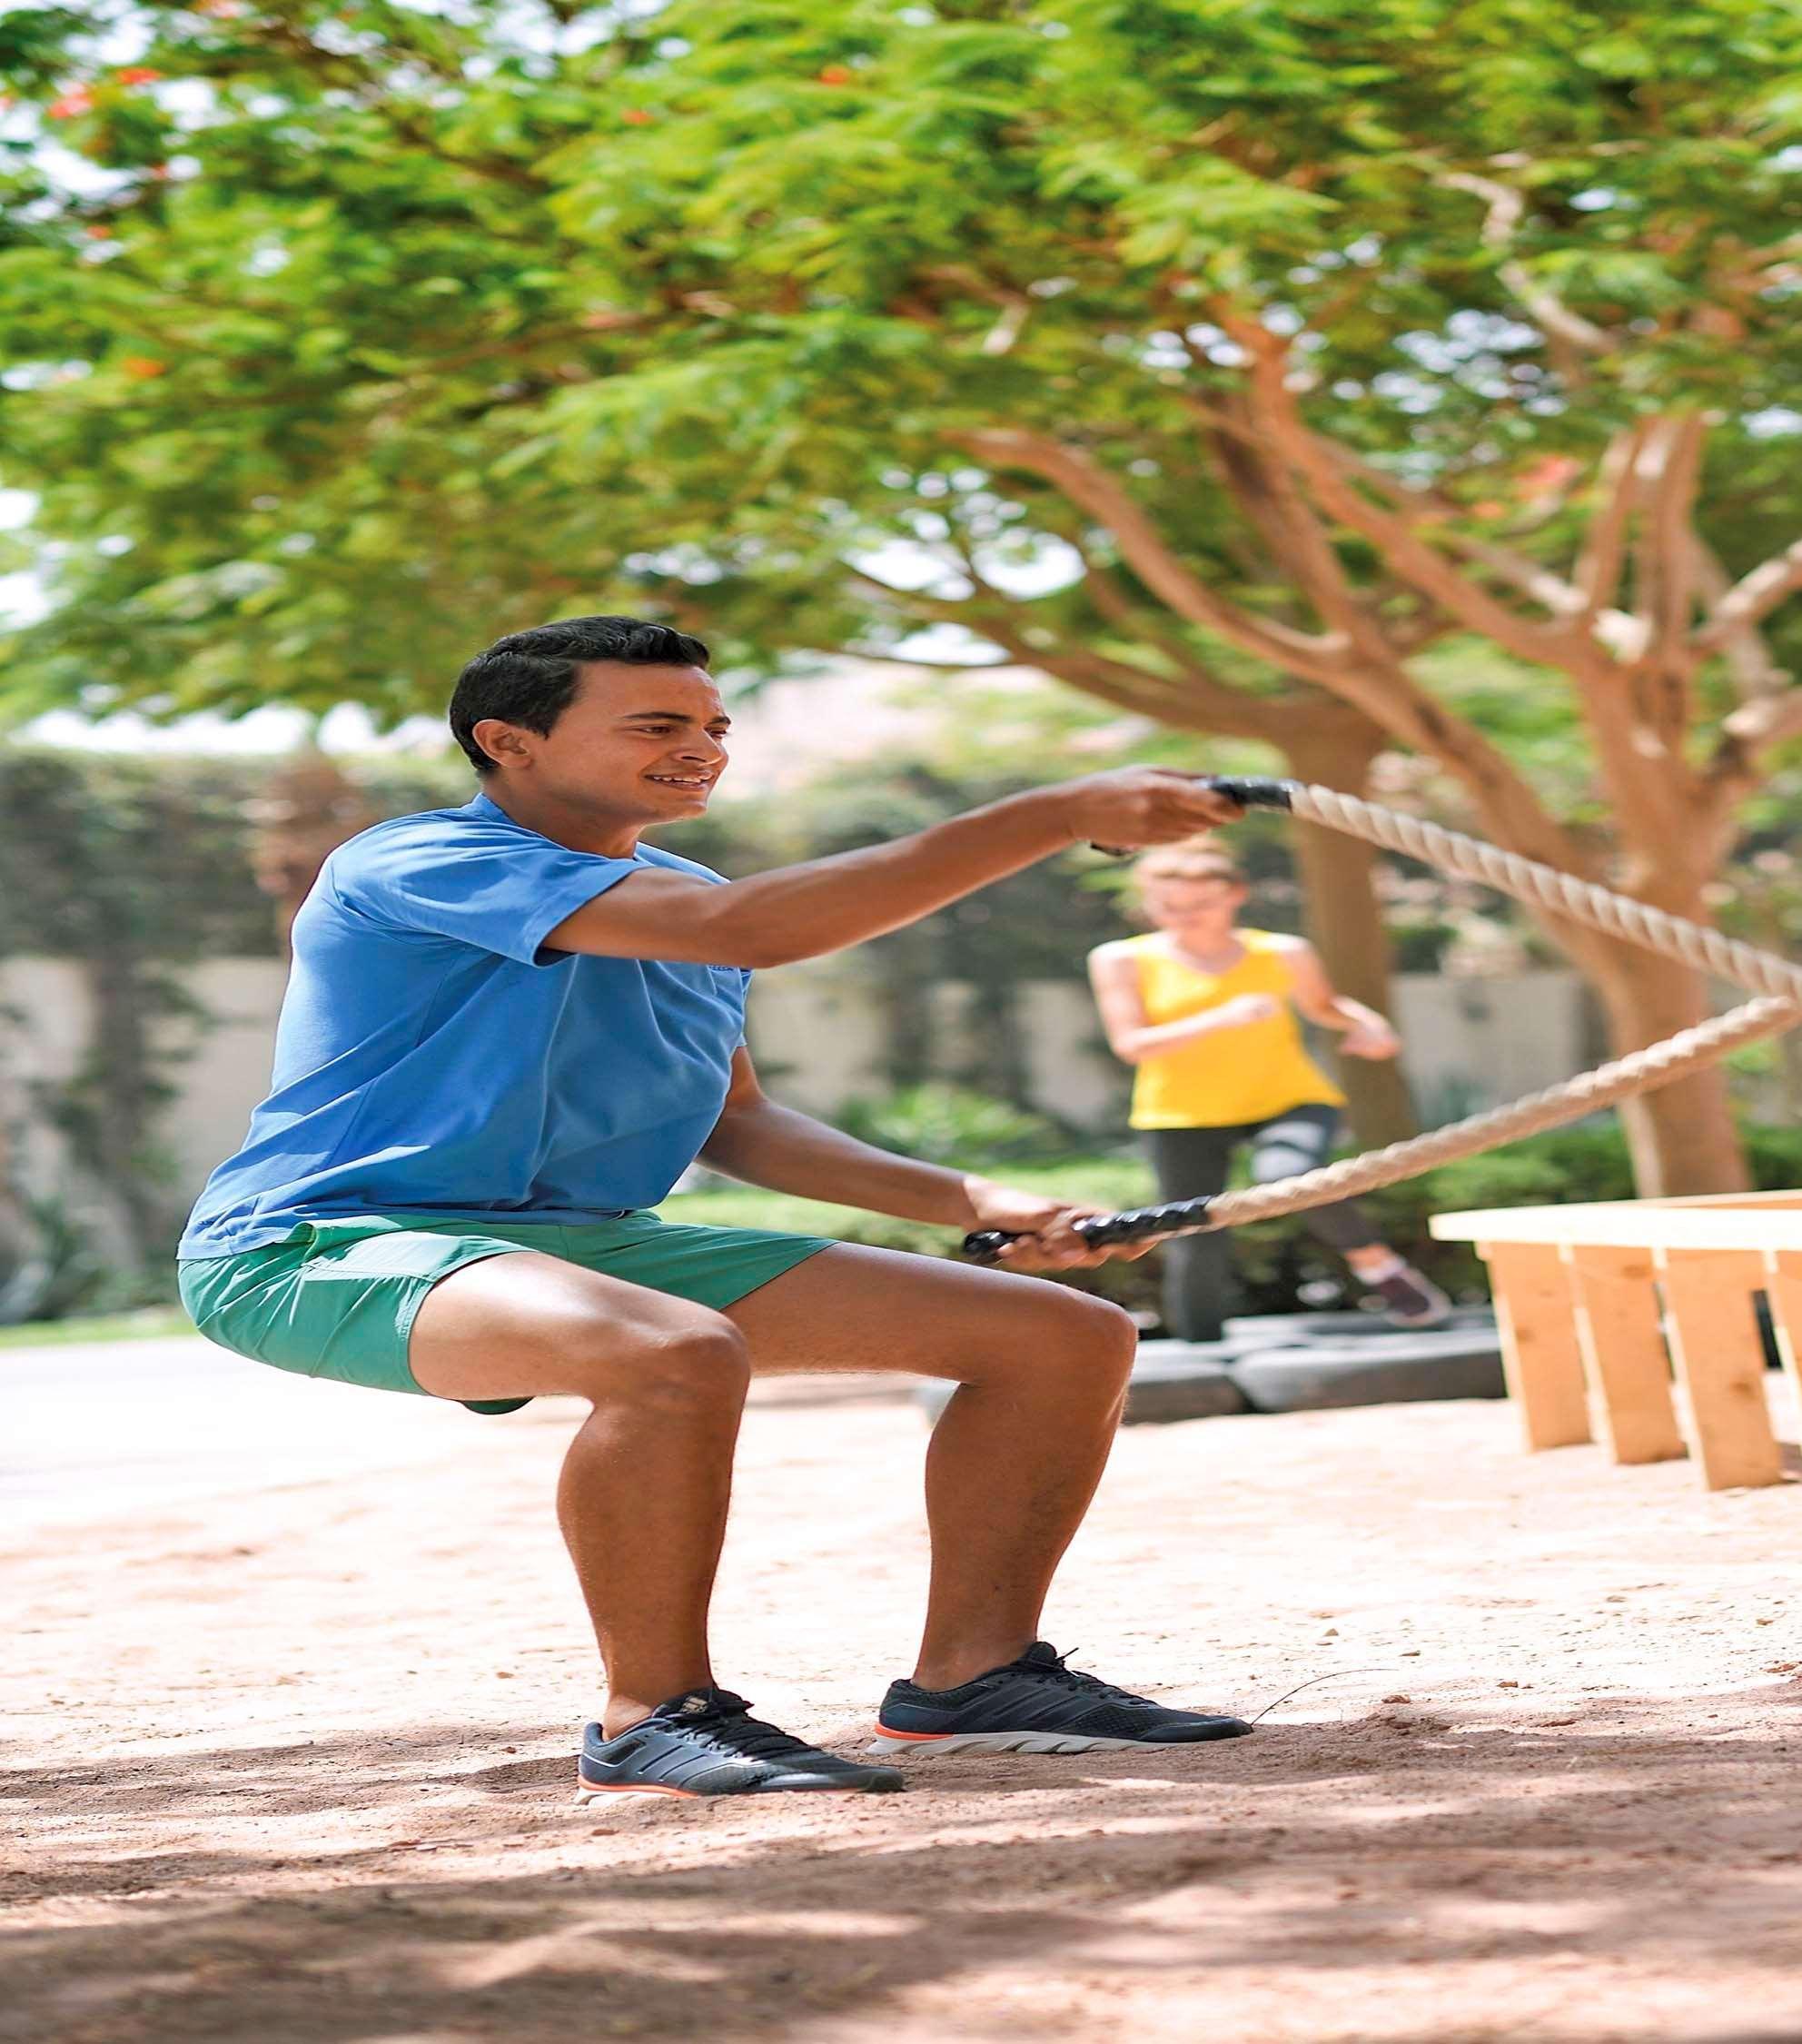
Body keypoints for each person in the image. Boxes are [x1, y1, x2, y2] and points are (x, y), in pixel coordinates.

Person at [176, 616, 1261, 1801]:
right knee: (675, 1351)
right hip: (322, 1237)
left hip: (580, 1242)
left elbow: (741, 1122)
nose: (700, 748)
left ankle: (974, 1678)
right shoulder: (418, 861)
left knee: (1062, 1336)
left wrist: (976, 1198)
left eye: (712, 726)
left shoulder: (692, 898)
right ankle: (652, 1714)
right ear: (508, 741)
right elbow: (752, 928)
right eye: (656, 725)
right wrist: (1053, 815)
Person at [1088, 841, 1451, 1342]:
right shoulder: (1122, 959)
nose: (1185, 916)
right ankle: (1202, 1350)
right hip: (1181, 1113)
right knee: (1192, 1233)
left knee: (1290, 1177)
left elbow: (1324, 1006)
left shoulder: (1282, 951)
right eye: (1169, 906)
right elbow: (1131, 1044)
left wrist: (1368, 1023)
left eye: (1201, 904)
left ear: (1236, 894)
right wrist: (1223, 1017)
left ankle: (1379, 1267)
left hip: (1288, 1099)